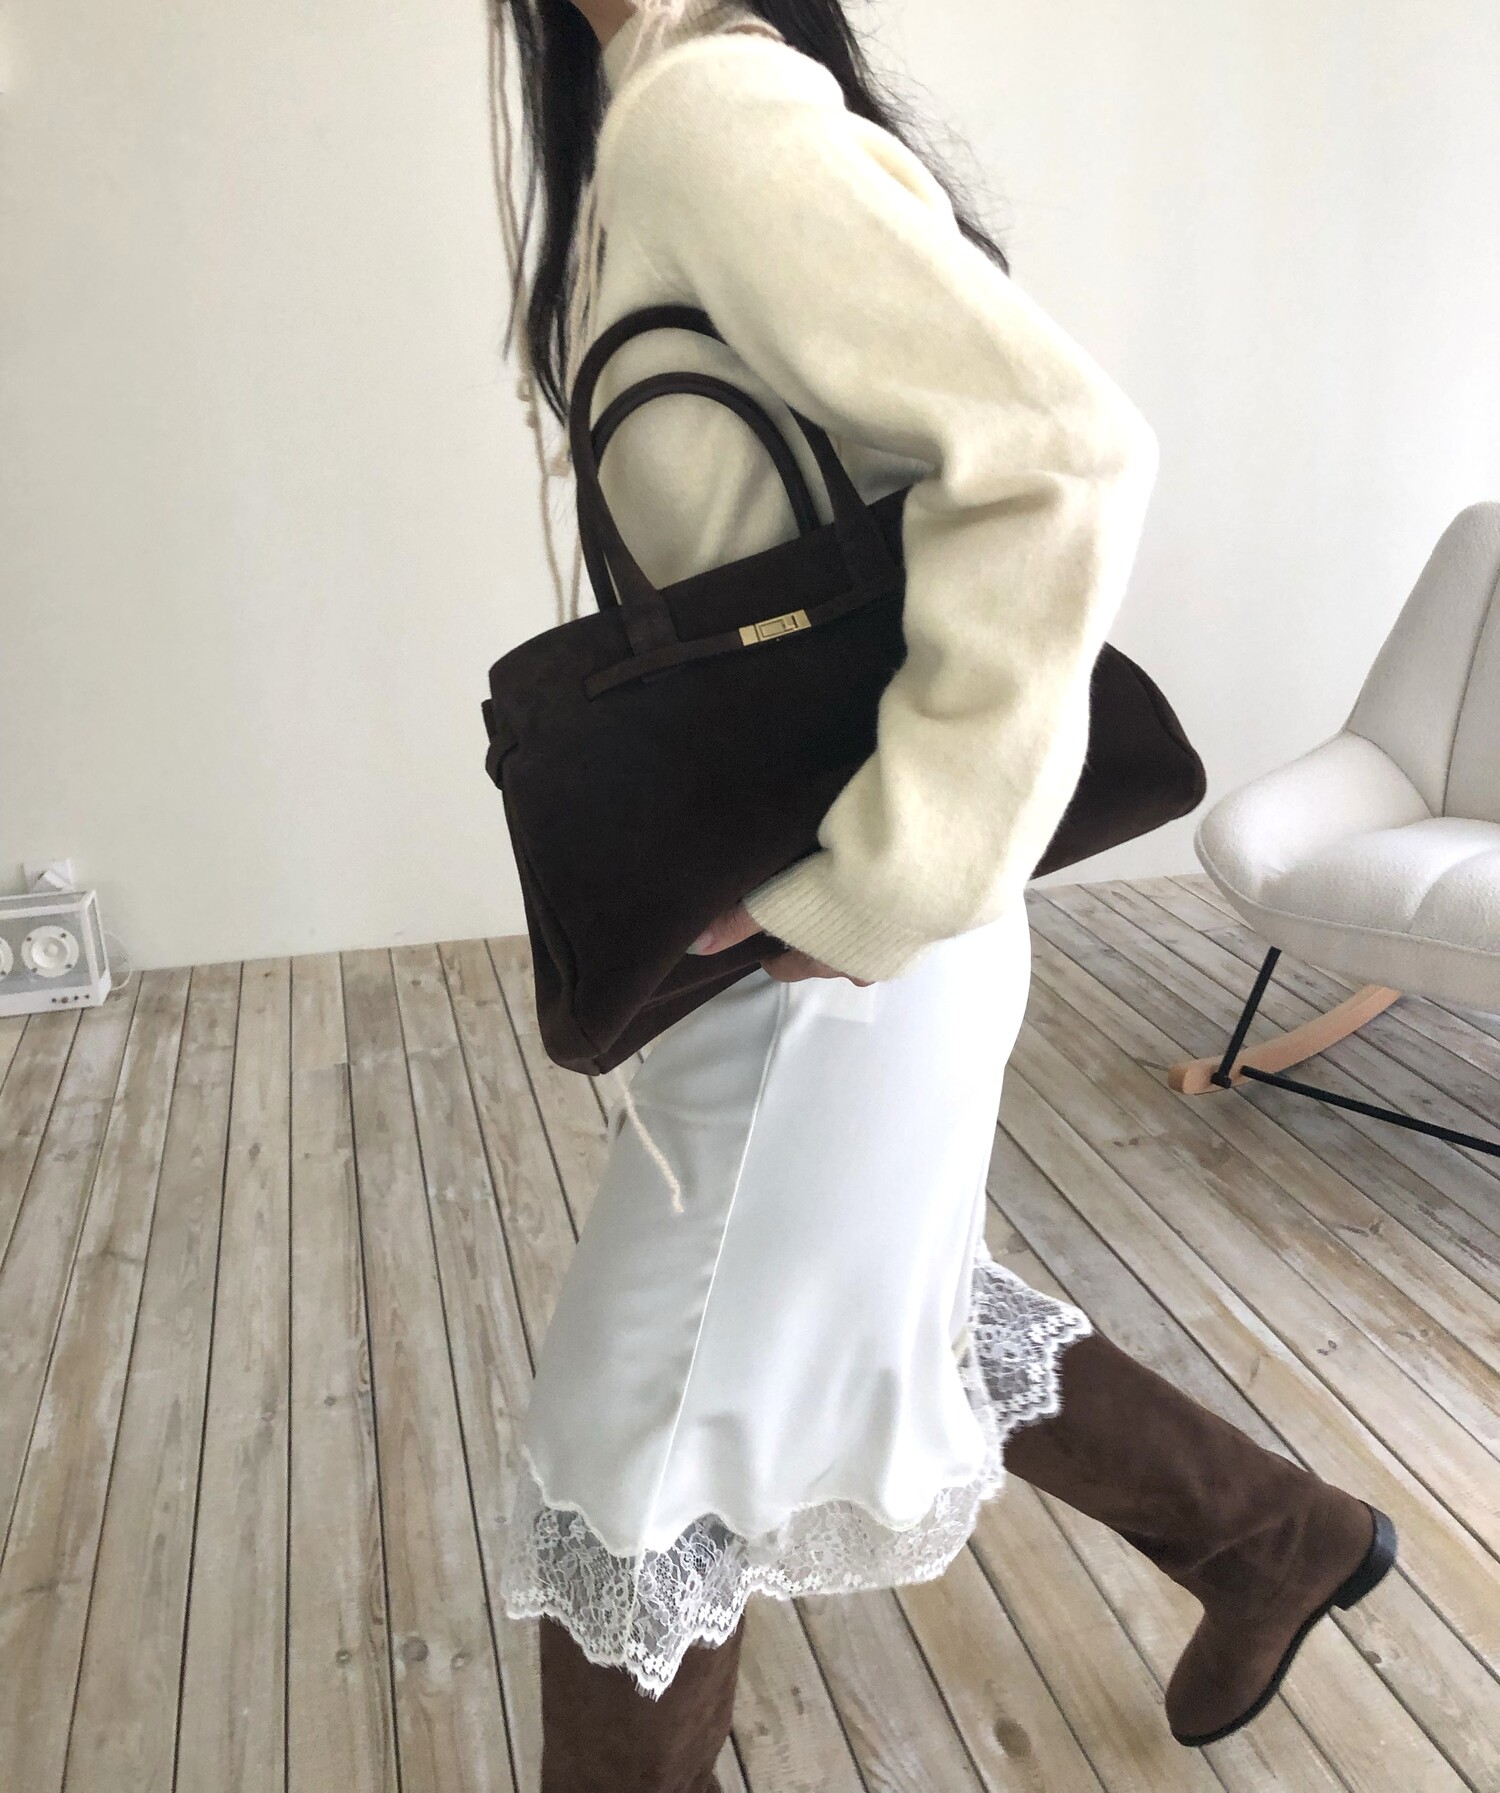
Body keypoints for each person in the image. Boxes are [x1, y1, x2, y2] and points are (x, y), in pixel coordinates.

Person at [492, 2, 1399, 1787]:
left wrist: (889, 871)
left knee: (633, 1455)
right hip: (838, 928)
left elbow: (1066, 447)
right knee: (894, 1305)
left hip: (839, 950)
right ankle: (1267, 1535)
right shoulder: (650, 111)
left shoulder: (703, 108)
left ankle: (1267, 1537)